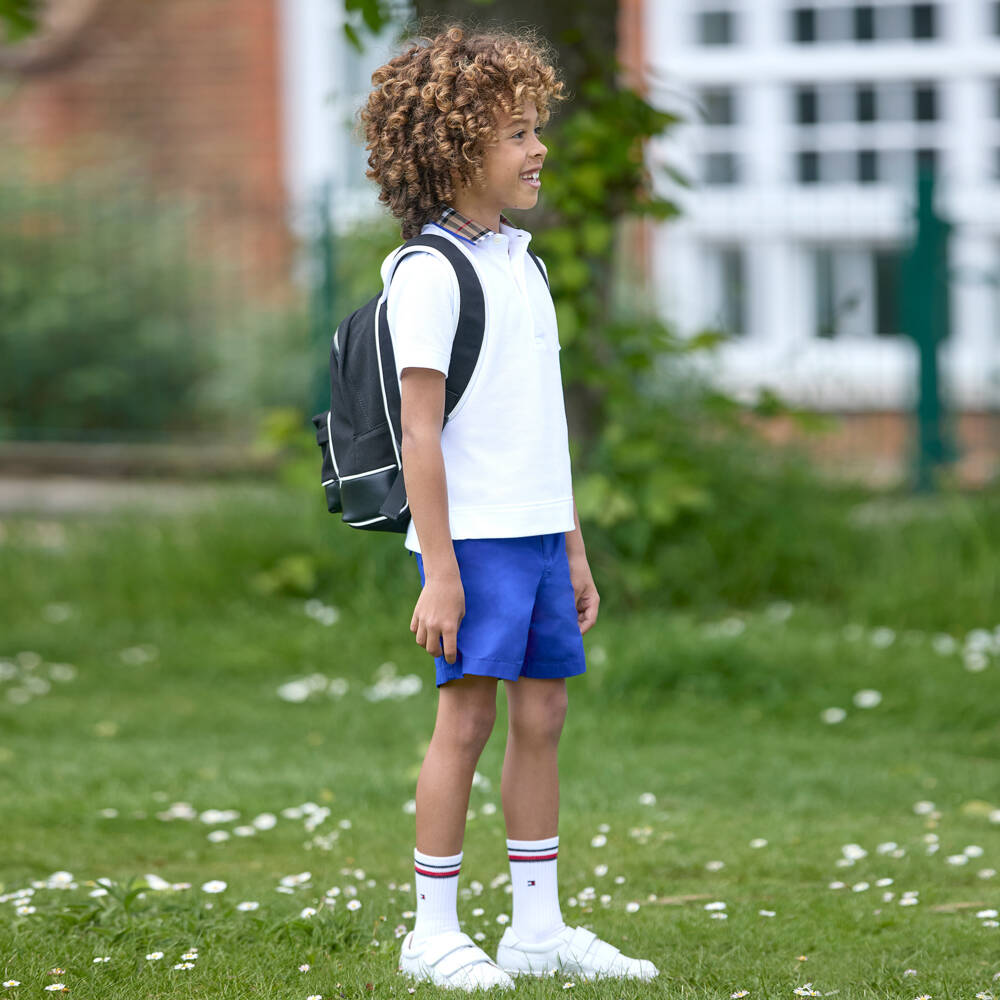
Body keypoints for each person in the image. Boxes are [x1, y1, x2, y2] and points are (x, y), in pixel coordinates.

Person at [359, 23, 659, 991]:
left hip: (533, 534)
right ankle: (432, 930)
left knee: (545, 713)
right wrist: (439, 570)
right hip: (470, 543)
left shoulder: (520, 264)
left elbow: (537, 426)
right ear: (454, 152)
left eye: (537, 129)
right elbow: (419, 435)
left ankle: (537, 927)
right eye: (518, 134)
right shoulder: (427, 274)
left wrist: (571, 546)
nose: (539, 150)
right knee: (467, 722)